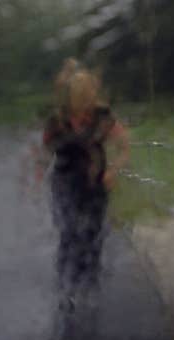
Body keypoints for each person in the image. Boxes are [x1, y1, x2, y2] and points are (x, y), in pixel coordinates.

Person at [37, 61, 130, 308]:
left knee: (92, 233)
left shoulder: (103, 117)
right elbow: (46, 151)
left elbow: (124, 147)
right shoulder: (57, 120)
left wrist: (113, 170)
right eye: (80, 94)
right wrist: (37, 174)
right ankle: (66, 285)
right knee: (68, 232)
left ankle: (90, 282)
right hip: (65, 182)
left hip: (95, 183)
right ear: (70, 96)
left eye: (89, 93)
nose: (85, 99)